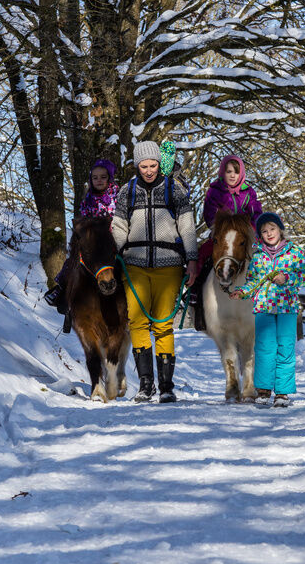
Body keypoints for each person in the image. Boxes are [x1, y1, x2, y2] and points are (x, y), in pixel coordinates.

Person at [112, 141, 198, 403]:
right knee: (137, 322)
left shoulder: (174, 190)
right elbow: (119, 227)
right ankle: (145, 384)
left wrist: (192, 259)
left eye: (153, 165)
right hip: (134, 264)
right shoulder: (127, 191)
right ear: (136, 166)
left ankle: (166, 386)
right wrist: (114, 255)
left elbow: (187, 227)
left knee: (162, 323)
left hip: (169, 264)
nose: (149, 170)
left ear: (160, 164)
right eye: (144, 166)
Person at [229, 212, 305, 407]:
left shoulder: (294, 252)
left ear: (280, 229)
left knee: (285, 349)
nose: (269, 233)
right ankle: (264, 390)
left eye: (272, 229)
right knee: (264, 349)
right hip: (263, 308)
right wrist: (242, 292)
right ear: (260, 235)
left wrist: (287, 278)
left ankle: (282, 392)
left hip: (287, 309)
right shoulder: (258, 256)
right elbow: (253, 282)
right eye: (264, 231)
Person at [192, 154, 263, 331]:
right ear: (222, 172)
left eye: (236, 172)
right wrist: (220, 221)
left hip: (243, 236)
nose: (232, 175)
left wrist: (251, 226)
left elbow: (256, 213)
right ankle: (196, 293)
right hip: (222, 233)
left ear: (241, 174)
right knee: (204, 253)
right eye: (228, 171)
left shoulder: (248, 192)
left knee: (260, 258)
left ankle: (265, 298)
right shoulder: (215, 190)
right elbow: (209, 212)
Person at [45, 159, 119, 314]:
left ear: (110, 178)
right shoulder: (88, 199)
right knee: (74, 259)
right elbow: (84, 218)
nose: (99, 180)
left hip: (113, 239)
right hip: (92, 241)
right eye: (95, 177)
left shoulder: (116, 196)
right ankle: (63, 289)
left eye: (103, 177)